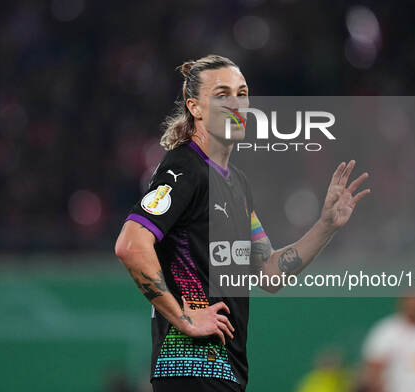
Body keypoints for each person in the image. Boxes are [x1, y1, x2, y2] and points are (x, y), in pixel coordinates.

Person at [114, 54, 370, 392]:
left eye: (242, 92)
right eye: (222, 95)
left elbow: (270, 272)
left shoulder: (237, 183)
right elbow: (131, 245)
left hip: (225, 369)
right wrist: (184, 317)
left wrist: (326, 225)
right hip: (190, 366)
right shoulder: (186, 168)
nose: (236, 103)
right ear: (196, 108)